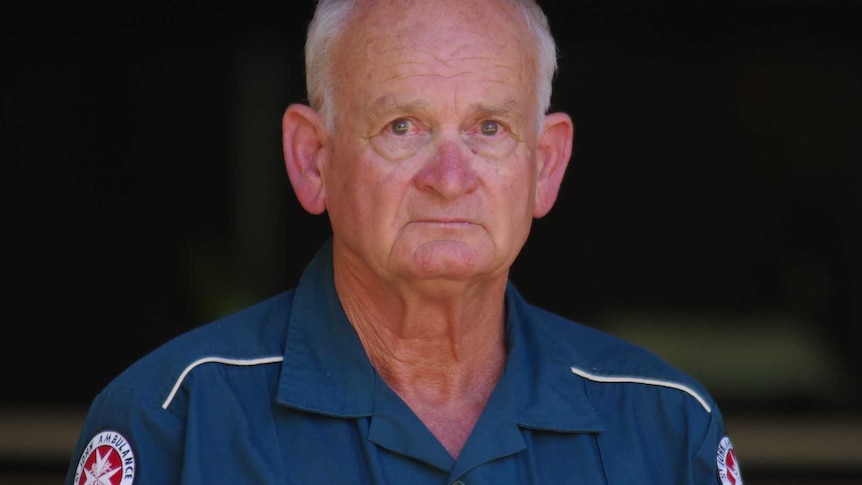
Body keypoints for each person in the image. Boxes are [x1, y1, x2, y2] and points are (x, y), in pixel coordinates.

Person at [65, 0, 744, 483]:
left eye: (489, 129)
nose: (450, 179)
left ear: (545, 165)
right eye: (401, 126)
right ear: (312, 160)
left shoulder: (665, 429)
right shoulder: (174, 422)